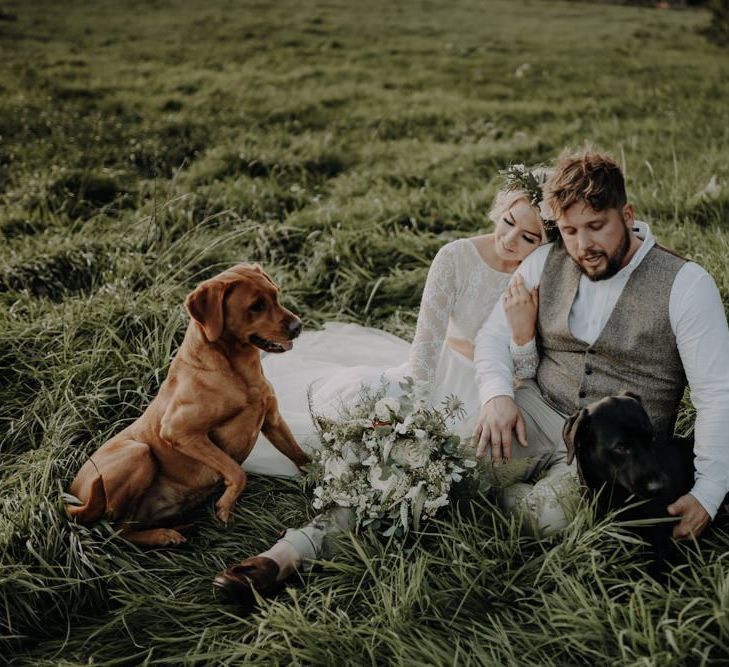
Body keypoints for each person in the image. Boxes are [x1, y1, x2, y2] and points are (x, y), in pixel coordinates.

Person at [213, 166, 555, 602]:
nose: (511, 241)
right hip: (436, 373)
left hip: (498, 389)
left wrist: (523, 333)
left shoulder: (539, 278)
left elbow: (528, 366)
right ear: (500, 208)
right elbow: (426, 345)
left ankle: (315, 543)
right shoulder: (456, 257)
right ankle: (308, 539)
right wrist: (414, 409)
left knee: (452, 466)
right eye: (508, 223)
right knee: (385, 436)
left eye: (529, 238)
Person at [472, 150, 729, 544]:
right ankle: (489, 489)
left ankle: (500, 498)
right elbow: (491, 336)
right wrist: (496, 396)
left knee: (547, 521)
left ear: (626, 215)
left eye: (596, 226)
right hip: (534, 412)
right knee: (456, 469)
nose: (583, 245)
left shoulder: (687, 285)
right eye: (570, 231)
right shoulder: (546, 260)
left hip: (616, 454)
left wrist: (708, 492)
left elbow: (717, 395)